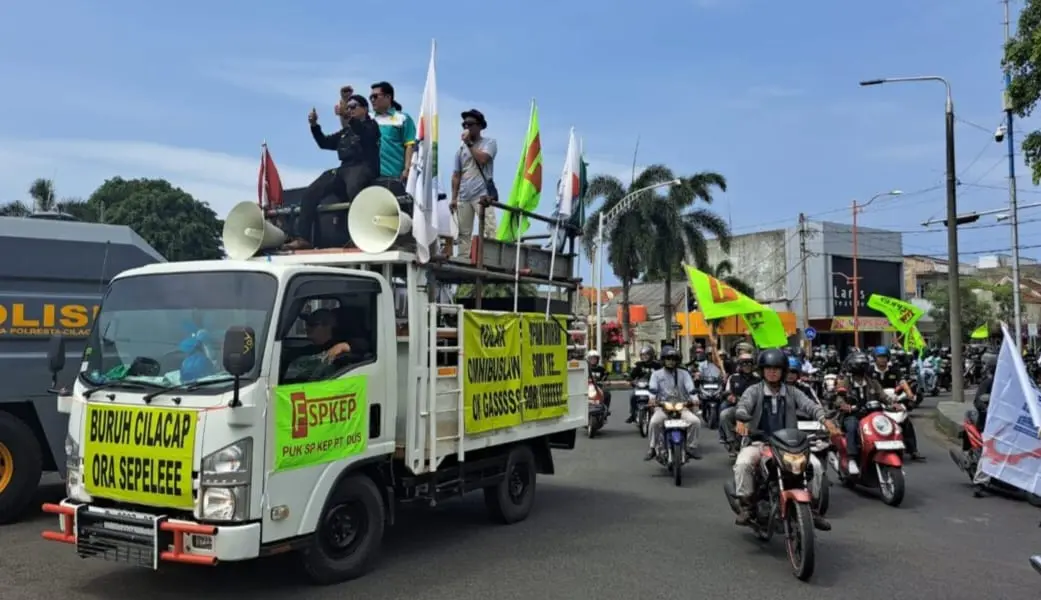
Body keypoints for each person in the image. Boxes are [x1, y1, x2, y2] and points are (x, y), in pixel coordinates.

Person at [732, 348, 834, 530]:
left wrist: (825, 420)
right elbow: (743, 406)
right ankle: (747, 506)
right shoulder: (753, 391)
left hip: (790, 444)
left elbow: (810, 406)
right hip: (760, 443)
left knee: (816, 466)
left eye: (776, 369)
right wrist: (741, 419)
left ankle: (812, 509)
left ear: (783, 371)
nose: (772, 372)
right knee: (743, 463)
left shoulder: (793, 392)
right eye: (768, 368)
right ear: (762, 371)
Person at [288, 97, 381, 250]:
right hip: (344, 168)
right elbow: (324, 142)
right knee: (311, 191)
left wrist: (347, 117)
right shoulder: (346, 132)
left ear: (365, 109)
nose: (350, 110)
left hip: (363, 166)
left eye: (353, 106)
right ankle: (303, 238)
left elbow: (364, 134)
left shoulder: (372, 126)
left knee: (354, 188)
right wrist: (314, 126)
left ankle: (360, 235)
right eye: (348, 107)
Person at [451, 109, 499, 259]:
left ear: (480, 126)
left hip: (483, 194)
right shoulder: (460, 150)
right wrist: (454, 198)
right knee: (463, 232)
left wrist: (470, 144)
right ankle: (463, 259)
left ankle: (489, 259)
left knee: (489, 229)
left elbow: (483, 159)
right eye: (464, 124)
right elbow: (456, 174)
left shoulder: (489, 143)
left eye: (470, 124)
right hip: (464, 195)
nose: (467, 127)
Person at [834, 351, 889, 475]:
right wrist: (843, 405)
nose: (860, 367)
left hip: (871, 415)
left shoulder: (872, 382)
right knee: (852, 426)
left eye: (863, 364)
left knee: (886, 424)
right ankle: (852, 459)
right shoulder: (845, 382)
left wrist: (893, 403)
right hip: (852, 415)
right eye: (858, 365)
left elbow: (883, 396)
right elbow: (839, 398)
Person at [645, 345, 702, 460]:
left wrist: (695, 399)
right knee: (654, 422)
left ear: (677, 360)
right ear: (663, 360)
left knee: (695, 421)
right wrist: (652, 399)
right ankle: (652, 448)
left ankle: (691, 447)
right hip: (662, 406)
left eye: (674, 359)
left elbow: (691, 388)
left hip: (682, 406)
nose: (671, 361)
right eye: (668, 358)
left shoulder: (684, 374)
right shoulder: (656, 375)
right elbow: (653, 389)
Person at [870, 346, 924, 460]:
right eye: (879, 357)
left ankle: (913, 450)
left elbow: (902, 382)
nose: (882, 359)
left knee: (905, 421)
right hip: (876, 400)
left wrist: (909, 393)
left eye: (884, 357)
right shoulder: (870, 370)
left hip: (893, 400)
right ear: (875, 358)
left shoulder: (894, 369)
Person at [280, 309, 352, 380]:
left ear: (328, 326)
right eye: (307, 323)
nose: (306, 327)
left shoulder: (338, 351)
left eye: (312, 324)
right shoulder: (307, 349)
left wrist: (343, 346)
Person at [369, 82, 417, 182]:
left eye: (375, 96)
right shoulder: (368, 118)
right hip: (369, 177)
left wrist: (407, 169)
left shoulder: (402, 118)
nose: (372, 100)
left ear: (388, 97)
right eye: (371, 97)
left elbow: (409, 145)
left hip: (394, 176)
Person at [720, 352, 759, 457]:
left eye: (749, 363)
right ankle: (731, 442)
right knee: (724, 415)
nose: (747, 366)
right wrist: (729, 396)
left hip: (754, 409)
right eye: (744, 363)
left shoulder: (758, 379)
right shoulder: (733, 378)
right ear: (740, 365)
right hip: (737, 407)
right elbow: (726, 392)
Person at [626, 345, 661, 423]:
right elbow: (633, 374)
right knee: (633, 396)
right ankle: (632, 414)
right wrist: (630, 379)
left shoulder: (657, 365)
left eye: (646, 355)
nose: (644, 357)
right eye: (643, 355)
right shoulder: (639, 365)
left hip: (654, 387)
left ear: (651, 355)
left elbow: (662, 375)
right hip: (641, 386)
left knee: (660, 398)